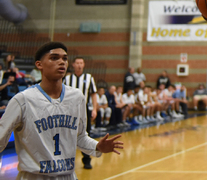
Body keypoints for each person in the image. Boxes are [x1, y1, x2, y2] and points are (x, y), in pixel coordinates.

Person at [0, 42, 123, 179]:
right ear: (39, 64)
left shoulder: (77, 97)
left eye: (64, 58)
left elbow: (80, 137)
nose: (62, 62)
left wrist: (97, 146)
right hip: (34, 176)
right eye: (54, 58)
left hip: (68, 175)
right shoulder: (22, 100)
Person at [63, 56, 99, 169]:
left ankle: (86, 160)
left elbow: (93, 94)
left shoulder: (89, 77)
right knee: (67, 136)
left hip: (84, 111)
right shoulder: (67, 79)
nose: (79, 65)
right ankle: (66, 160)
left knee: (85, 135)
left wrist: (94, 109)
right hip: (69, 111)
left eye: (81, 63)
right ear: (73, 65)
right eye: (77, 63)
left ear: (83, 65)